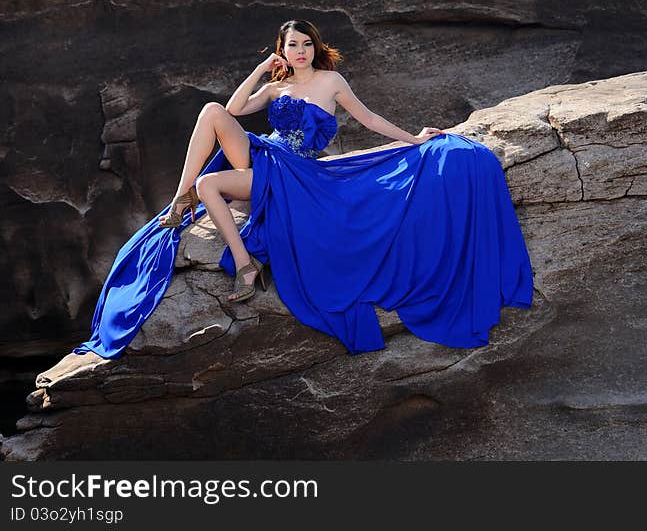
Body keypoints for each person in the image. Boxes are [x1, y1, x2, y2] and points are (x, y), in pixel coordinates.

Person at [70, 19, 534, 359]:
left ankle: (244, 267)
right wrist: (261, 69)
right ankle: (188, 207)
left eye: (306, 44)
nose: (300, 52)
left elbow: (368, 119)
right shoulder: (278, 86)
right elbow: (236, 107)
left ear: (315, 47)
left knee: (212, 183)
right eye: (291, 46)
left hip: (298, 173)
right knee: (213, 110)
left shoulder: (332, 81)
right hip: (263, 157)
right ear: (282, 50)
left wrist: (415, 140)